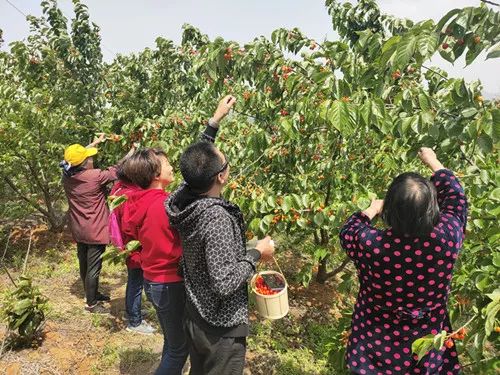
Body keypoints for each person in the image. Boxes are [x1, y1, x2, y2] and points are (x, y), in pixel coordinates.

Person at [166, 95, 276, 375]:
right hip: (219, 326)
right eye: (225, 165)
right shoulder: (216, 217)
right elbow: (225, 282)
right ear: (221, 177)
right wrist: (256, 253)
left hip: (195, 312)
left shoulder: (181, 200)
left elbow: (196, 162)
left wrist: (214, 121)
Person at [339, 147, 467, 375]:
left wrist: (371, 209)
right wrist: (433, 161)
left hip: (375, 341)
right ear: (433, 209)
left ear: (389, 211)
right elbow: (457, 197)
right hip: (426, 339)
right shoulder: (447, 236)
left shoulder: (372, 244)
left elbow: (348, 230)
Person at [61, 134, 133, 313]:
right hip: (95, 229)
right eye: (90, 158)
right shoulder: (95, 176)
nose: (92, 159)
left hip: (79, 228)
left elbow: (73, 159)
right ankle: (91, 304)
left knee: (84, 263)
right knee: (94, 267)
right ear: (85, 163)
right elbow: (118, 169)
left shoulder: (67, 175)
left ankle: (91, 293)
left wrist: (94, 143)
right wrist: (132, 152)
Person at [109, 170, 156, 335]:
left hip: (127, 244)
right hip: (135, 246)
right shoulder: (131, 195)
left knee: (135, 281)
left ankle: (134, 311)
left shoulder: (118, 189)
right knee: (136, 282)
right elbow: (132, 224)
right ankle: (134, 321)